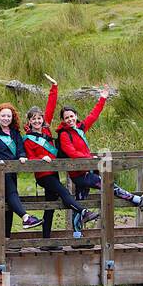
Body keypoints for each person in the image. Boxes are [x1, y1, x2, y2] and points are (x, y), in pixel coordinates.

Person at [56, 86, 143, 212]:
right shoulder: (64, 134)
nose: (70, 119)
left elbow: (93, 115)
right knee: (109, 185)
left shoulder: (79, 129)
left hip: (87, 170)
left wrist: (102, 98)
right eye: (67, 118)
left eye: (72, 116)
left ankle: (77, 232)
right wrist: (90, 158)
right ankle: (139, 201)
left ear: (76, 115)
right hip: (80, 174)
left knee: (80, 204)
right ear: (63, 120)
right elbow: (71, 152)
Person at [24, 77, 98, 239]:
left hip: (53, 172)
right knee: (64, 191)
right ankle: (83, 211)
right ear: (29, 122)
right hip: (43, 176)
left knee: (50, 205)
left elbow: (50, 106)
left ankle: (46, 239)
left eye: (39, 118)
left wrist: (54, 87)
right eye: (33, 119)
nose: (37, 121)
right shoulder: (28, 139)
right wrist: (41, 159)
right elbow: (30, 158)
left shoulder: (47, 131)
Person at [0, 103, 42, 234]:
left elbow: (20, 150)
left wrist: (22, 156)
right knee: (12, 195)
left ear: (12, 117)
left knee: (8, 204)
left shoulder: (14, 133)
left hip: (12, 170)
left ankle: (7, 238)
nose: (6, 118)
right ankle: (26, 217)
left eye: (9, 116)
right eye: (3, 115)